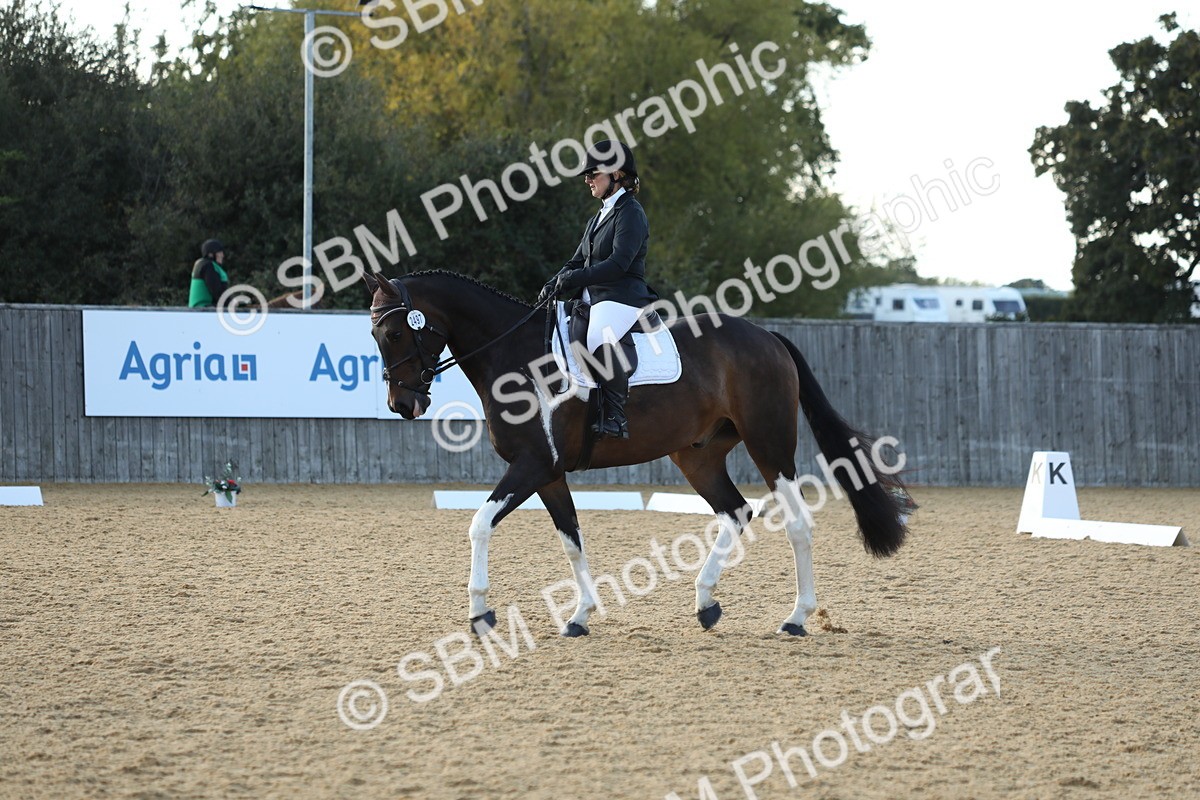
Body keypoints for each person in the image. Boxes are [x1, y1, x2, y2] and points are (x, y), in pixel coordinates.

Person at [539, 140, 657, 440]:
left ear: (616, 173)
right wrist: (555, 281)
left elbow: (619, 263)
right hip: (594, 297)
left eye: (593, 173)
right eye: (587, 175)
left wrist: (575, 278)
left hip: (622, 296)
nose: (587, 180)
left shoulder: (630, 213)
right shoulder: (598, 217)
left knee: (596, 338)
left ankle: (617, 416)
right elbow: (577, 260)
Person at [188, 238, 230, 308]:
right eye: (220, 253)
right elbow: (217, 292)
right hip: (204, 308)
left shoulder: (201, 263)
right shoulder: (208, 267)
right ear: (211, 254)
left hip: (198, 309)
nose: (222, 255)